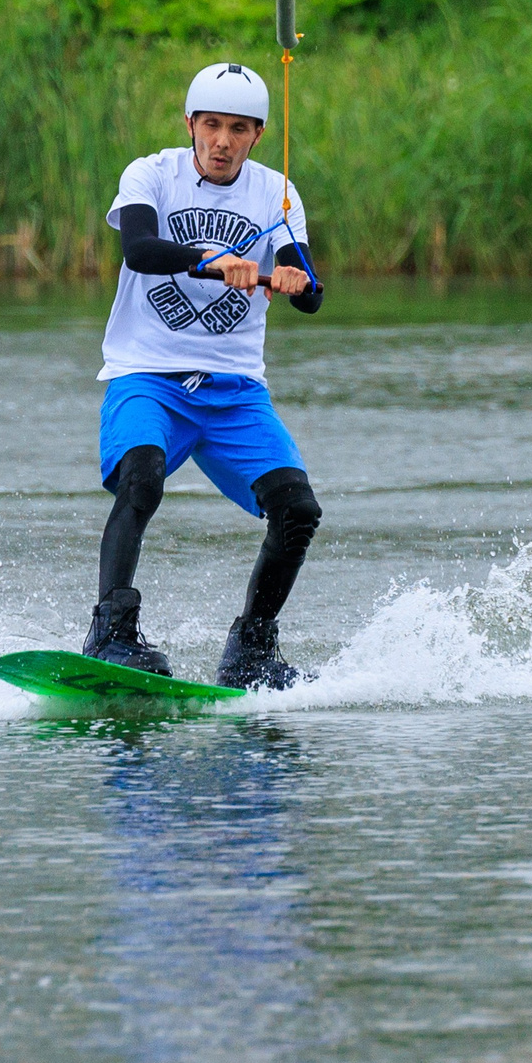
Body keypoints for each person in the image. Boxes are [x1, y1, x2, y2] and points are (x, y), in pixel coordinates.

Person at [88, 63, 327, 690]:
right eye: (212, 125)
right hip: (150, 377)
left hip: (234, 393)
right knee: (141, 480)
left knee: (297, 509)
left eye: (239, 129)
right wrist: (212, 260)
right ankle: (111, 632)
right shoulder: (151, 174)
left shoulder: (277, 194)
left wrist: (297, 279)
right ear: (190, 124)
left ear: (258, 134)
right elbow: (139, 250)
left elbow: (308, 291)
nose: (222, 141)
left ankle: (251, 647)